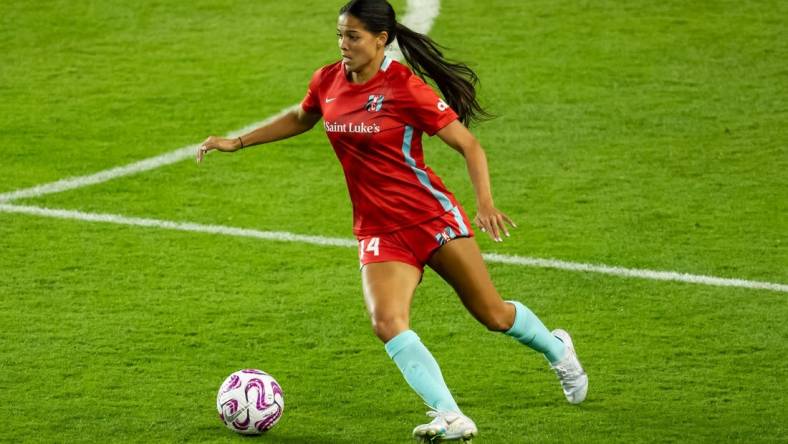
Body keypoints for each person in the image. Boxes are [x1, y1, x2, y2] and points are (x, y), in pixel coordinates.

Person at [197, 0, 587, 441]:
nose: (343, 45)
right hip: (379, 231)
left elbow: (469, 145)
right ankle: (451, 416)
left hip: (431, 217)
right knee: (387, 323)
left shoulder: (405, 87)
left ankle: (558, 349)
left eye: (353, 36)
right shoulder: (327, 79)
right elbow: (302, 116)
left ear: (381, 40)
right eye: (340, 34)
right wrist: (239, 142)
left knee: (493, 315)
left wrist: (485, 203)